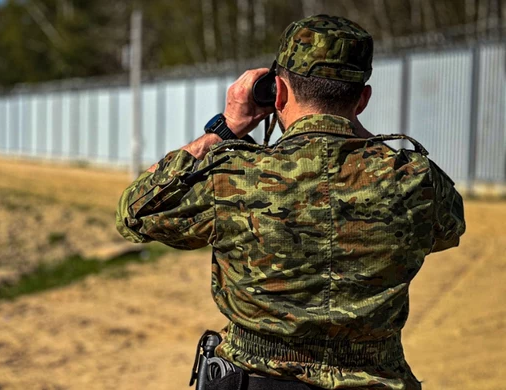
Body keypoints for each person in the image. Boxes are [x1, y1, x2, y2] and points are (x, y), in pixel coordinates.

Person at [115, 15, 465, 390]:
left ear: (276, 92)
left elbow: (135, 212)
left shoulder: (233, 176)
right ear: (363, 99)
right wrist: (356, 134)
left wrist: (227, 127)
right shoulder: (414, 179)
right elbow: (449, 229)